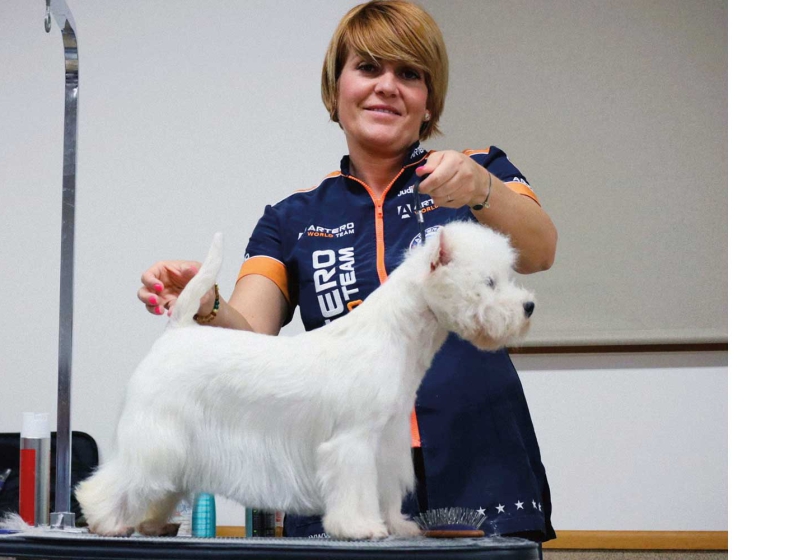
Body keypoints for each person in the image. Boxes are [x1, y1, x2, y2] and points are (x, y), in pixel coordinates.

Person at [137, 0, 557, 544]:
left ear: (429, 102)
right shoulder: (290, 219)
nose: (387, 86)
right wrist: (207, 304)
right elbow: (252, 339)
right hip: (343, 475)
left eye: (409, 74)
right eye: (369, 68)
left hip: (479, 470)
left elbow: (541, 249)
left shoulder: (478, 173)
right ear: (335, 90)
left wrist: (482, 190)